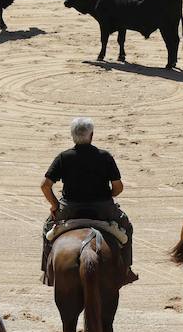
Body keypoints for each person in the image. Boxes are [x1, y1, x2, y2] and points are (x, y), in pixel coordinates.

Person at [40, 117, 137, 284]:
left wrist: (55, 205)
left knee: (47, 229)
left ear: (72, 136)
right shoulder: (104, 156)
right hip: (102, 209)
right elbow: (118, 187)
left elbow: (45, 186)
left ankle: (47, 273)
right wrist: (108, 196)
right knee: (127, 227)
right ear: (91, 135)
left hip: (70, 209)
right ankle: (126, 270)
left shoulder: (64, 157)